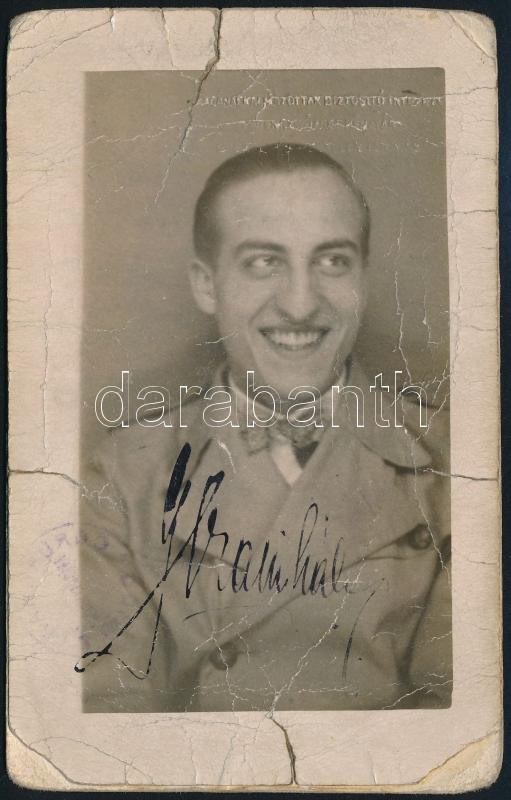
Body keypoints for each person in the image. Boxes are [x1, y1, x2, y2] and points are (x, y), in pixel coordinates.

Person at [79, 143, 451, 713]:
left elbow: (459, 723)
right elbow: (107, 719)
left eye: (332, 261)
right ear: (207, 285)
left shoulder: (456, 463)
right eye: (263, 262)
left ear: (363, 278)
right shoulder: (121, 476)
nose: (300, 305)